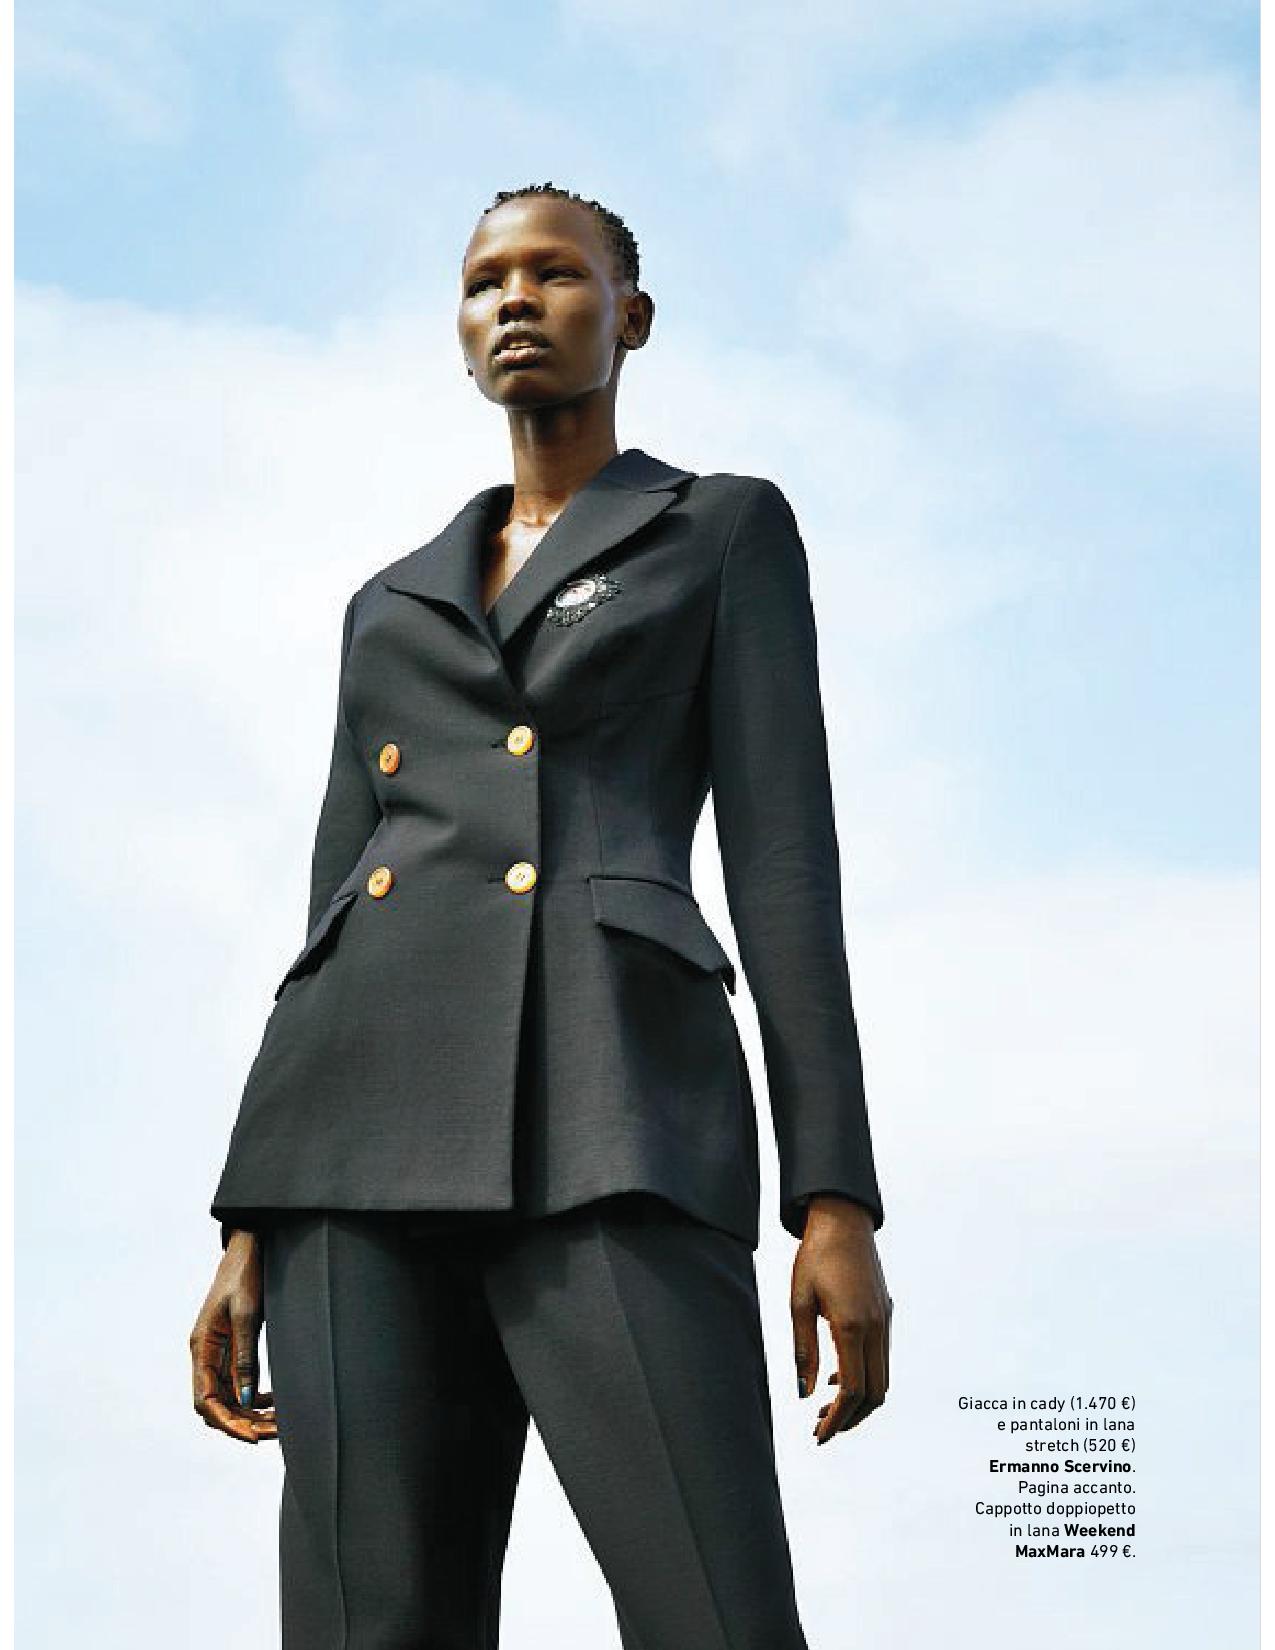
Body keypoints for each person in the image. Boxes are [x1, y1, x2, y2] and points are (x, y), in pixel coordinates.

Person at [190, 181, 892, 1649]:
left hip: (615, 1110)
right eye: (484, 282)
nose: (515, 299)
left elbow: (784, 868)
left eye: (556, 274)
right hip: (352, 1154)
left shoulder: (719, 530)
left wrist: (833, 1196)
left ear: (630, 317)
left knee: (715, 1614)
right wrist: (247, 1222)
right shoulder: (390, 604)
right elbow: (329, 914)